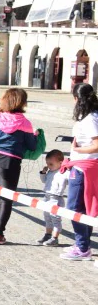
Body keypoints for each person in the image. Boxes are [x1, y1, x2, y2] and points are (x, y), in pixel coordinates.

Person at [0, 88, 38, 245]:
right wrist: (35, 137)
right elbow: (31, 147)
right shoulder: (24, 123)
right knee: (7, 199)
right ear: (22, 102)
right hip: (9, 163)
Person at [59, 83, 98, 261]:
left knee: (73, 207)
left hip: (83, 166)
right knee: (84, 207)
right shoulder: (90, 116)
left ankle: (82, 248)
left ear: (77, 99)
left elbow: (96, 145)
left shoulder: (90, 119)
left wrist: (77, 149)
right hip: (84, 165)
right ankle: (83, 243)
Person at [38, 149, 68, 247]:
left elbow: (70, 180)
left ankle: (55, 238)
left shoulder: (64, 172)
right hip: (47, 197)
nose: (49, 166)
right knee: (47, 218)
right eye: (47, 163)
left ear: (60, 163)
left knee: (55, 219)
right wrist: (43, 173)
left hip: (56, 198)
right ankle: (48, 235)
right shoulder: (50, 172)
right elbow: (44, 181)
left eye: (51, 164)